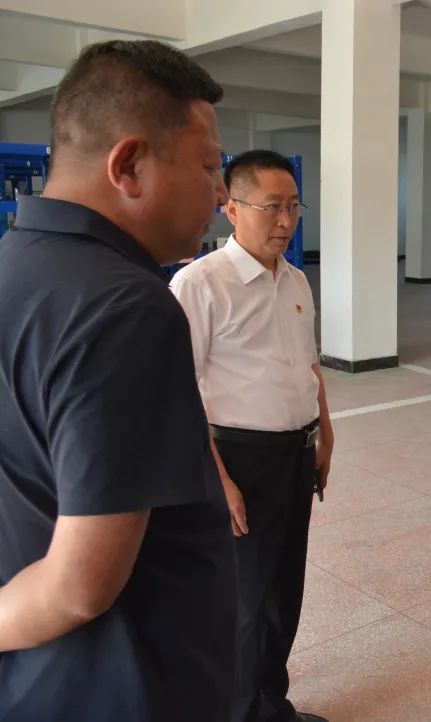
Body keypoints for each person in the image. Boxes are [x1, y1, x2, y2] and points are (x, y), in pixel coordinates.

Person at [0, 40, 236, 721]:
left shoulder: (16, 263)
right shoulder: (124, 307)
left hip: (37, 681)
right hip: (124, 683)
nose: (221, 193)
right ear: (128, 165)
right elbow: (80, 587)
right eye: (208, 166)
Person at [171, 149, 334, 722]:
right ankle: (238, 711)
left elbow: (308, 365)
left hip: (296, 453)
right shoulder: (201, 284)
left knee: (284, 591)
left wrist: (326, 433)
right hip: (239, 459)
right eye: (272, 207)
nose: (286, 221)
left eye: (294, 207)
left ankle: (270, 705)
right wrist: (218, 481)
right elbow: (178, 392)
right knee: (245, 599)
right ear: (232, 207)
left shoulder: (295, 279)